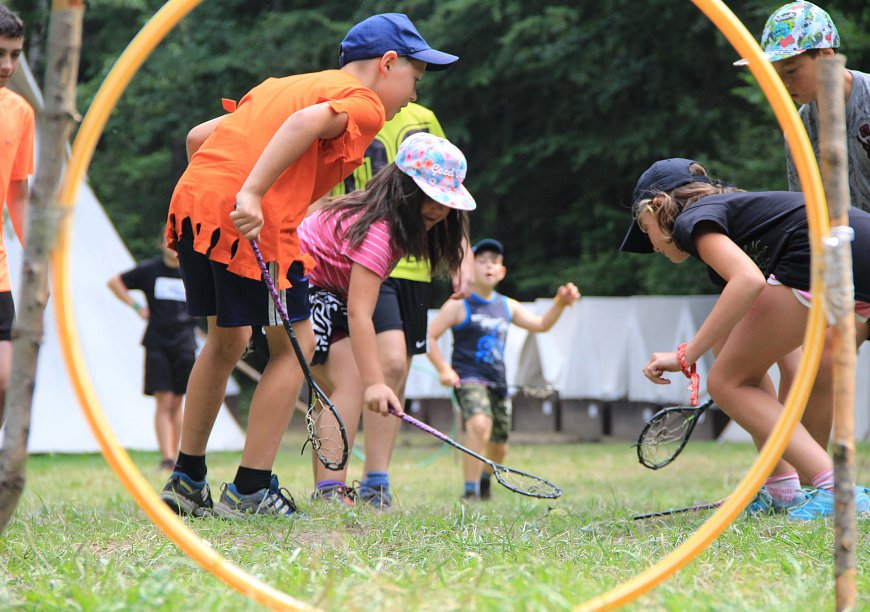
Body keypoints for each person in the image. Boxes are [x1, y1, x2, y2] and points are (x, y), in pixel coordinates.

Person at [159, 13, 459, 519]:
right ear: (388, 65)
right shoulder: (363, 103)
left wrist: (208, 201)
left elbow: (199, 137)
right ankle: (251, 489)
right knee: (297, 344)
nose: (412, 95)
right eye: (415, 77)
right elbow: (305, 125)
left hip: (197, 208)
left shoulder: (288, 84)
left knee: (227, 340)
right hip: (252, 220)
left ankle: (187, 480)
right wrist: (252, 193)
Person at [620, 158, 870, 520]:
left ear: (658, 206)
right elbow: (785, 355)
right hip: (857, 246)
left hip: (829, 250)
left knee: (725, 381)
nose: (652, 245)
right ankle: (783, 489)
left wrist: (686, 355)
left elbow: (748, 282)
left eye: (645, 230)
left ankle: (839, 490)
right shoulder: (744, 223)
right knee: (732, 355)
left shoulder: (694, 220)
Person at [735, 1, 870, 503]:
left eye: (791, 69)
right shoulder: (799, 124)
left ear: (827, 55)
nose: (785, 82)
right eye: (776, 73)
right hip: (847, 261)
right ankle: (819, 490)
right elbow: (804, 210)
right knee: (824, 356)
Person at [313, 102, 473, 509]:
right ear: (405, 189)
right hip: (303, 284)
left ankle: (348, 487)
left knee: (361, 373)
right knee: (347, 380)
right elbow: (358, 312)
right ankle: (329, 490)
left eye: (446, 200)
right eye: (431, 197)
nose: (440, 208)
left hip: (332, 286)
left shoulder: (397, 228)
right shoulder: (381, 233)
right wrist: (376, 382)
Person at [426, 239, 580, 500]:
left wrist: (560, 303)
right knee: (478, 425)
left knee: (499, 445)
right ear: (470, 268)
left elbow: (541, 324)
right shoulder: (458, 304)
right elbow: (428, 337)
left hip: (498, 382)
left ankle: (485, 481)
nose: (488, 266)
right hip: (469, 379)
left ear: (502, 272)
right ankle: (470, 491)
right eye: (482, 260)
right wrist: (444, 369)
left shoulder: (507, 306)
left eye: (494, 262)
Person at [108, 238, 197, 471]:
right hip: (157, 342)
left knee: (178, 400)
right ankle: (166, 457)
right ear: (160, 244)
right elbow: (115, 282)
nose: (172, 248)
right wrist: (137, 307)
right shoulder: (150, 270)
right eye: (169, 242)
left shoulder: (193, 271)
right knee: (164, 400)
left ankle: (178, 457)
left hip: (185, 343)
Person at [0, 5, 31, 427]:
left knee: (6, 380)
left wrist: (43, 256)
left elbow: (19, 193)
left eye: (15, 54)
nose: (7, 65)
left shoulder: (19, 111)